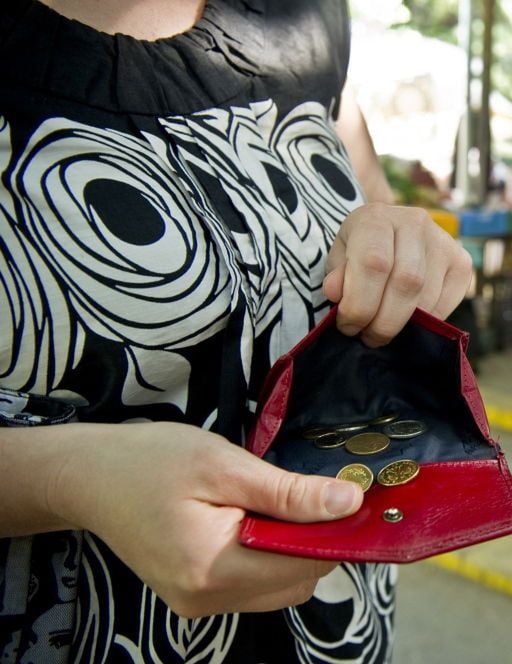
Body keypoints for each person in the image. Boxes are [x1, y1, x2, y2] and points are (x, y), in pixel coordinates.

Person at [0, 1, 473, 662]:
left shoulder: (309, 19)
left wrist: (403, 243)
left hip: (337, 628)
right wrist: (64, 478)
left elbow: (372, 204)